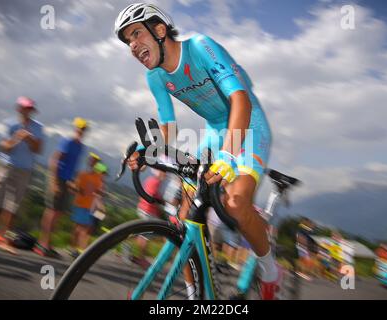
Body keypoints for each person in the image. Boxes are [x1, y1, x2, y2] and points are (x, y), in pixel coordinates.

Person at [115, 3, 278, 299]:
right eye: (128, 41)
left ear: (160, 30)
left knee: (236, 203)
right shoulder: (155, 77)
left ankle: (270, 270)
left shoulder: (201, 47)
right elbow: (169, 132)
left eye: (136, 33)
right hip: (216, 132)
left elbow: (241, 100)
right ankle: (195, 295)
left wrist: (228, 157)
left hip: (249, 124)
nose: (133, 45)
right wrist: (144, 150)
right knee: (186, 215)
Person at [0, 97, 44, 254]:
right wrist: (17, 138)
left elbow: (38, 150)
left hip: (25, 170)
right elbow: (5, 147)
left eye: (30, 109)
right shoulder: (10, 123)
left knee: (11, 207)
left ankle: (3, 241)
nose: (27, 111)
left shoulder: (38, 127)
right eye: (25, 108)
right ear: (19, 108)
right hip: (6, 167)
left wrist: (30, 139)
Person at [33, 117, 88, 257]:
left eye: (84, 129)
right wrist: (54, 182)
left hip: (67, 181)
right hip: (58, 179)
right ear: (75, 128)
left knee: (58, 213)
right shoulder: (67, 141)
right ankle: (42, 245)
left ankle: (47, 244)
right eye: (80, 128)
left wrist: (72, 182)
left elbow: (73, 166)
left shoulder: (81, 147)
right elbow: (54, 160)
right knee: (51, 211)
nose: (81, 131)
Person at [68, 153, 104, 258]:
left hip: (90, 206)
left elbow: (98, 191)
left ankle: (80, 250)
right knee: (78, 227)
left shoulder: (98, 177)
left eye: (96, 161)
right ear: (89, 162)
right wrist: (78, 189)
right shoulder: (82, 174)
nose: (94, 163)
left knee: (86, 228)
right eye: (92, 161)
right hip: (80, 204)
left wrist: (100, 193)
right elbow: (74, 187)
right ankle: (73, 248)